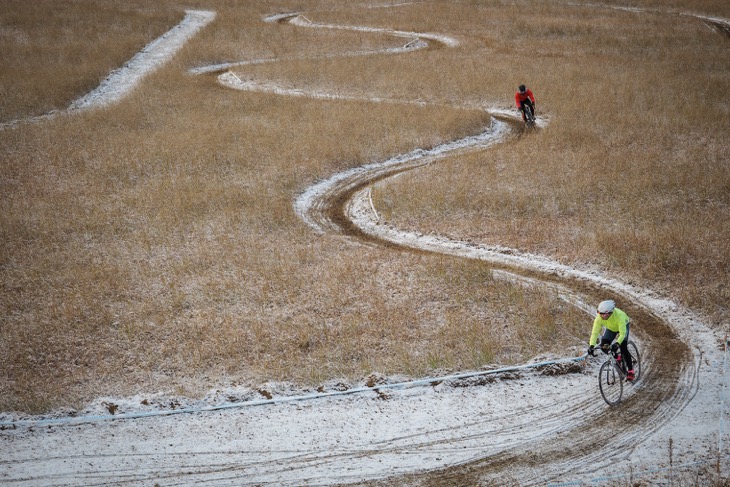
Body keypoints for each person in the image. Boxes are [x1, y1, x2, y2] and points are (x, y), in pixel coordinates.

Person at [587, 299, 635, 381]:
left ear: (610, 312)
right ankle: (618, 357)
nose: (602, 316)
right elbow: (594, 332)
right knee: (604, 347)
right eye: (600, 314)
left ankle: (630, 371)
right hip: (611, 329)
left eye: (605, 314)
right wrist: (591, 345)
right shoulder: (599, 318)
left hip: (622, 327)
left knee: (623, 348)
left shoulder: (619, 316)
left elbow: (622, 334)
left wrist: (617, 343)